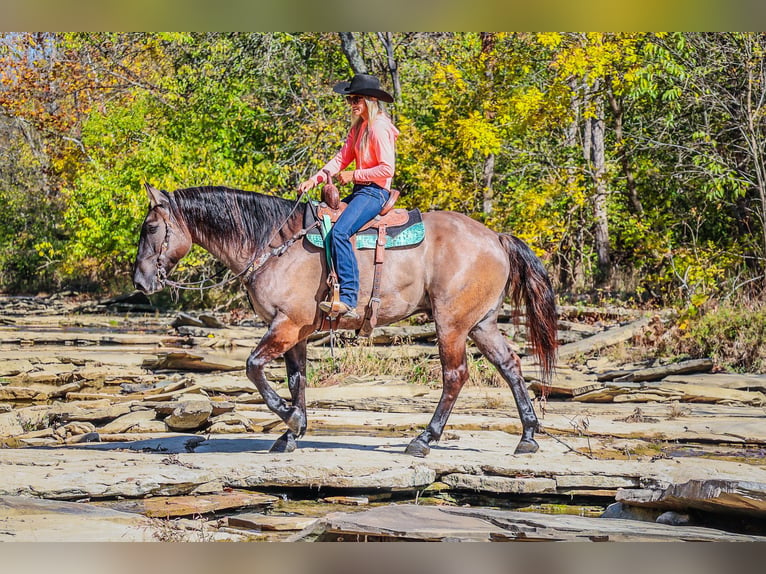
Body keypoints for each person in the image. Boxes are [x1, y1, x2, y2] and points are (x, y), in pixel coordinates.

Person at [298, 74, 399, 319]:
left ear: (371, 100)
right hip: (361, 190)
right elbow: (341, 159)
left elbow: (388, 169)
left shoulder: (379, 127)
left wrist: (355, 174)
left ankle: (349, 298)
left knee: (340, 232)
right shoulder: (360, 127)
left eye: (357, 99)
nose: (352, 104)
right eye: (350, 99)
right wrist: (316, 178)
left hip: (375, 192)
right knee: (324, 224)